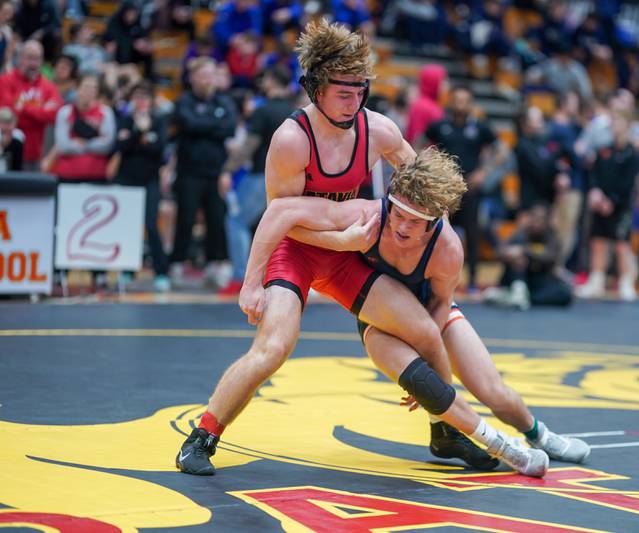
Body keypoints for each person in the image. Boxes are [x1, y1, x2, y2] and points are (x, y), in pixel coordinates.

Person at [174, 20, 513, 476]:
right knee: (273, 347)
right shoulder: (292, 139)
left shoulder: (378, 130)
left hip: (347, 253)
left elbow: (424, 186)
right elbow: (281, 220)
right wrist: (252, 283)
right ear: (315, 89)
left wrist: (441, 226)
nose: (354, 104)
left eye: (360, 93)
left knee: (428, 334)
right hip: (296, 249)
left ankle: (444, 432)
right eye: (343, 94)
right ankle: (202, 436)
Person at [235, 147, 590, 467]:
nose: (402, 226)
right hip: (381, 320)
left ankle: (539, 435)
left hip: (434, 315)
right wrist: (340, 242)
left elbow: (439, 303)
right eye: (398, 214)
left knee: (494, 392)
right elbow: (289, 214)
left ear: (434, 221)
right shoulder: (370, 216)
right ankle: (451, 431)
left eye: (414, 222)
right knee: (425, 381)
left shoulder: (448, 249)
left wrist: (431, 366)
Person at [218, 65, 297, 295]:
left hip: (262, 176)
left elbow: (249, 146)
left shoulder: (263, 111)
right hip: (292, 178)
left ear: (270, 81)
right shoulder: (296, 111)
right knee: (283, 229)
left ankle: (240, 277)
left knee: (237, 220)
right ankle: (285, 277)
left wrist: (228, 169)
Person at [424, 85, 505, 292]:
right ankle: (432, 279)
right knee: (437, 234)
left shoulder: (480, 127)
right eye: (457, 100)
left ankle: (473, 281)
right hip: (444, 191)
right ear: (450, 102)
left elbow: (501, 151)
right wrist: (429, 167)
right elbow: (419, 144)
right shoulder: (440, 125)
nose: (460, 104)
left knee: (472, 233)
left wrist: (484, 172)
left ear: (471, 104)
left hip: (470, 191)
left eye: (464, 100)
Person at [169, 57, 237, 287]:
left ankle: (214, 265)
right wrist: (211, 125)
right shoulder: (183, 101)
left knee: (216, 219)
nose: (208, 79)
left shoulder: (224, 102)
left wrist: (203, 125)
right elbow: (189, 124)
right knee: (185, 218)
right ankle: (177, 263)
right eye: (203, 75)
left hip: (216, 172)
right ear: (193, 77)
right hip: (188, 171)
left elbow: (228, 128)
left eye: (211, 75)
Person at [576, 112, 639, 301]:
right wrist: (596, 192)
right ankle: (596, 280)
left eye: (619, 123)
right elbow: (594, 174)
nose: (615, 127)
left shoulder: (633, 154)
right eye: (613, 123)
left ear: (628, 126)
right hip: (600, 204)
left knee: (622, 245)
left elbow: (628, 183)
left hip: (621, 206)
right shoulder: (603, 150)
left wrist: (611, 201)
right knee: (598, 242)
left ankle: (626, 281)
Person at [114, 81, 170, 292]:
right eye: (137, 97)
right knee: (128, 226)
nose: (141, 101)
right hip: (127, 180)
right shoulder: (125, 120)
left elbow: (159, 149)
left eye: (145, 97)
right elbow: (120, 147)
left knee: (151, 225)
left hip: (149, 180)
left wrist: (137, 139)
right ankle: (128, 269)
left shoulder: (159, 121)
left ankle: (161, 272)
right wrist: (140, 132)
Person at [0, 40, 62, 170]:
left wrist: (22, 107)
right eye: (29, 58)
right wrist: (40, 110)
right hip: (9, 153)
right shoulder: (5, 81)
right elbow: (7, 114)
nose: (33, 63)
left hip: (37, 155)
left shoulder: (48, 86)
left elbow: (55, 115)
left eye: (37, 58)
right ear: (20, 58)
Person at [0, 107, 24, 172]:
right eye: (4, 122)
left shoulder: (18, 141)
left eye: (9, 123)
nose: (7, 126)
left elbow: (17, 168)